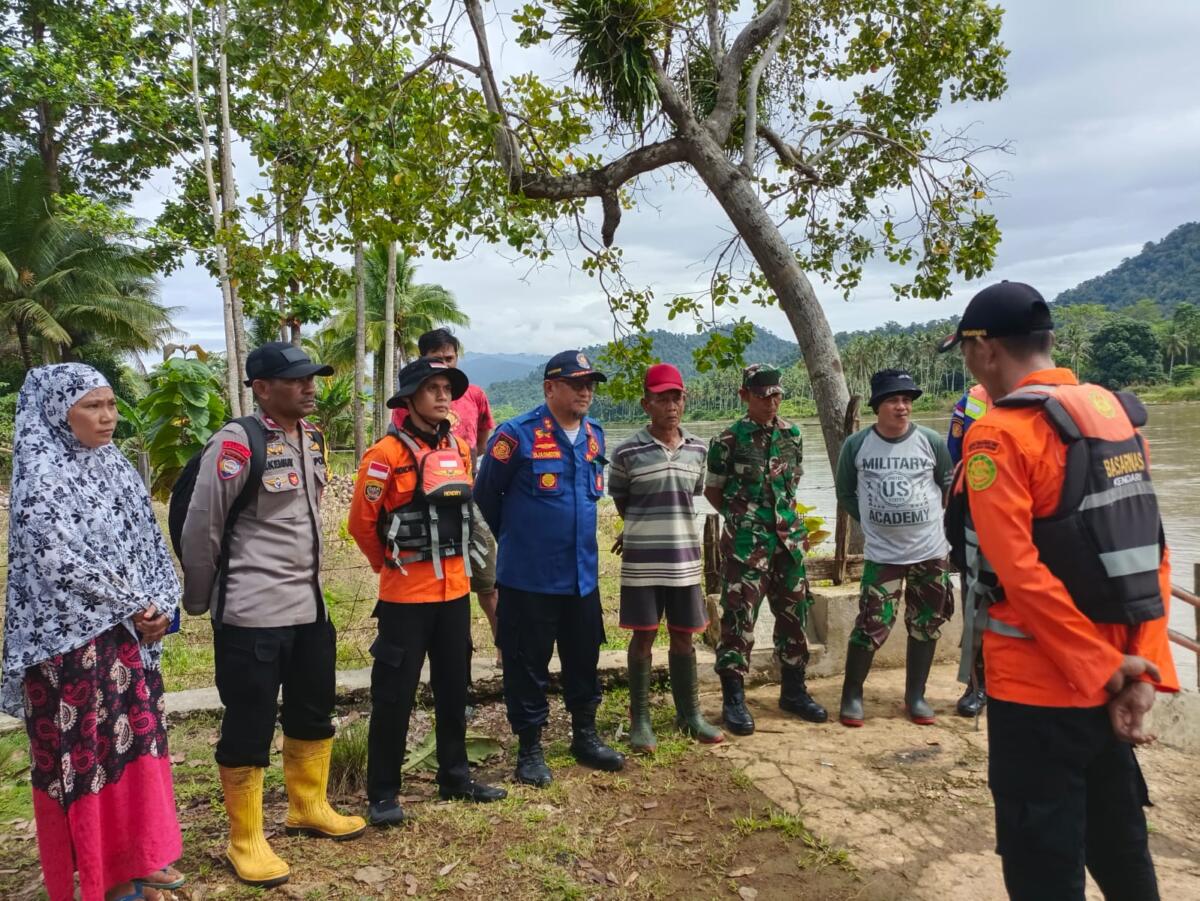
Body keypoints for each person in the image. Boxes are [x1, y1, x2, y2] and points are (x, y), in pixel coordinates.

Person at [939, 280, 1179, 901]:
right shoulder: (1115, 417)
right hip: (1115, 682)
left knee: (1043, 859)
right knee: (1122, 848)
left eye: (965, 351)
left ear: (985, 347)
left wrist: (1103, 669)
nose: (968, 365)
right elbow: (1151, 553)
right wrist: (1141, 673)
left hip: (1041, 689)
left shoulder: (1000, 435)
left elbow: (1020, 575)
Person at [181, 342, 365, 888]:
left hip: (309, 609)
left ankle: (309, 805)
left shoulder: (312, 439)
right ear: (262, 388)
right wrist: (198, 600)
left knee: (313, 710)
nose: (310, 386)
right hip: (251, 612)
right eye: (296, 379)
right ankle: (246, 839)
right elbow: (202, 526)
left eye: (312, 378)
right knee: (250, 721)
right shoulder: (238, 443)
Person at [2, 364, 184, 901]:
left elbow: (148, 541)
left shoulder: (114, 466)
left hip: (127, 634)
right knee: (88, 758)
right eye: (91, 406)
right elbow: (60, 558)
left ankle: (140, 857)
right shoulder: (41, 472)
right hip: (71, 647)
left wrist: (161, 607)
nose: (107, 418)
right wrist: (135, 603)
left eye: (110, 404)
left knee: (136, 743)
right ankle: (105, 877)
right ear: (59, 412)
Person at [348, 357, 507, 827]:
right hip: (404, 599)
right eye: (432, 388)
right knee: (394, 696)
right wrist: (391, 568)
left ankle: (455, 776)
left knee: (454, 687)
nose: (443, 396)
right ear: (410, 398)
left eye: (447, 388)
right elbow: (362, 524)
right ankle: (382, 792)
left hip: (454, 594)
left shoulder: (459, 448)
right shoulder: (383, 457)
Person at [475, 350, 626, 786]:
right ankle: (530, 749)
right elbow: (486, 497)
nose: (586, 391)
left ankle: (585, 735)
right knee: (526, 665)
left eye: (590, 384)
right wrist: (521, 540)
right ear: (549, 388)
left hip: (582, 577)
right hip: (528, 578)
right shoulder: (515, 435)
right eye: (577, 383)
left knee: (584, 659)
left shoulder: (595, 436)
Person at [704, 364, 827, 735]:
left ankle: (794, 690)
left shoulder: (793, 435)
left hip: (788, 543)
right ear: (744, 397)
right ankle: (734, 699)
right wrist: (742, 520)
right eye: (762, 397)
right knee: (739, 619)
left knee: (794, 615)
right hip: (747, 547)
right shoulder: (728, 440)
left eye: (776, 395)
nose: (771, 403)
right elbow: (714, 490)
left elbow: (792, 484)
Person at [608, 363, 723, 751]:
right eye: (662, 398)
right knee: (643, 637)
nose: (671, 405)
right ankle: (639, 720)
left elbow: (693, 494)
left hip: (685, 561)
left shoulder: (698, 449)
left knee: (684, 637)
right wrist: (642, 528)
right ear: (646, 403)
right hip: (642, 562)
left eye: (676, 397)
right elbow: (622, 499)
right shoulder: (626, 452)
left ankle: (689, 714)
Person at [834, 369, 954, 727]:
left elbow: (947, 489)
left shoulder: (931, 441)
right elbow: (846, 493)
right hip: (883, 556)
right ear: (877, 407)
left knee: (926, 622)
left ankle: (915, 696)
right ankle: (852, 693)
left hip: (930, 553)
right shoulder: (857, 446)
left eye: (906, 400)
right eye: (893, 400)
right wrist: (873, 519)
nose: (902, 407)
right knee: (872, 623)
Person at [391, 329, 501, 663]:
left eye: (449, 360)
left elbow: (485, 435)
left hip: (468, 497)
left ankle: (503, 648)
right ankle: (453, 652)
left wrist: (467, 465)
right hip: (425, 505)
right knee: (446, 582)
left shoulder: (474, 395)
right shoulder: (407, 408)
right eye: (435, 362)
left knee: (488, 580)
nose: (441, 393)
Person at [947, 382, 992, 717]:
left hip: (1031, 516)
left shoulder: (1046, 399)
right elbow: (954, 453)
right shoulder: (972, 402)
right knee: (975, 605)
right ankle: (977, 686)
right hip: (978, 513)